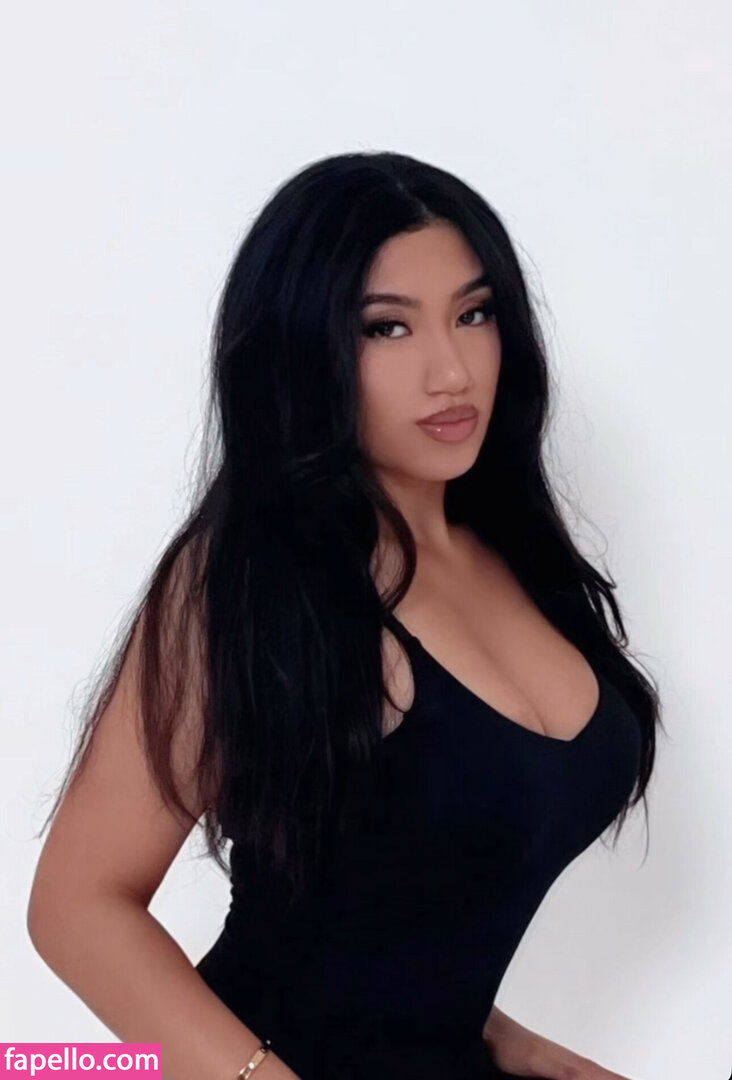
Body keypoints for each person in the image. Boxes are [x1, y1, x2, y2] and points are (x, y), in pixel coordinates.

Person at [27, 151, 662, 1080]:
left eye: (474, 314)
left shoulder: (519, 554)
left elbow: (403, 902)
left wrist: (506, 1040)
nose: (451, 370)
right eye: (386, 328)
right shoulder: (245, 580)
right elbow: (77, 907)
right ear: (303, 352)